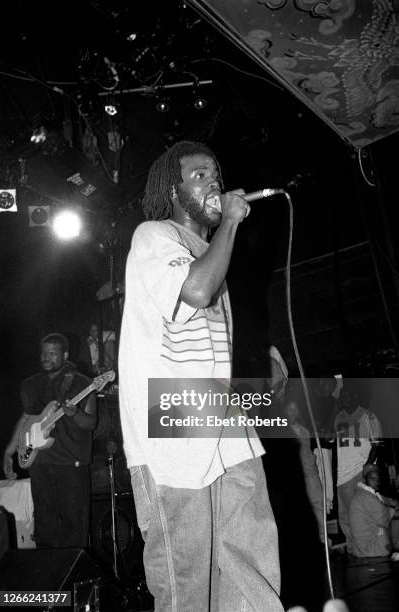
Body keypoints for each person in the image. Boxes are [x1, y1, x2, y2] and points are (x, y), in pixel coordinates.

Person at [119, 141, 283, 611]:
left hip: (223, 416)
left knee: (250, 562)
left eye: (215, 174)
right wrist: (231, 220)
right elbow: (194, 289)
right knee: (186, 580)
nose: (213, 183)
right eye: (198, 176)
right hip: (171, 419)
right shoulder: (154, 235)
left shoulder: (214, 254)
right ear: (173, 191)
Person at [3, 333, 97, 548]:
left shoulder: (82, 383)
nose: (46, 357)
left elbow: (91, 423)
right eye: (44, 353)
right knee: (45, 527)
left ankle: (72, 576)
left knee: (74, 528)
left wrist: (74, 414)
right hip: (41, 463)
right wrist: (9, 452)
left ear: (65, 355)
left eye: (52, 353)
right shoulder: (31, 384)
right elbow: (27, 418)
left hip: (71, 463)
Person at [333, 379, 382, 554]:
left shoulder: (368, 416)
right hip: (342, 474)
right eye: (342, 396)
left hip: (359, 471)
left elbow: (376, 444)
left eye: (346, 395)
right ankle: (355, 551)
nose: (343, 399)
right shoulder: (338, 417)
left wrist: (367, 469)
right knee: (345, 516)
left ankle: (369, 549)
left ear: (354, 396)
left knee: (361, 515)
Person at [283, 398, 326, 543]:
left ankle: (322, 537)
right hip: (291, 473)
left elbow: (307, 451)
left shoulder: (304, 430)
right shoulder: (278, 429)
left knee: (317, 501)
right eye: (289, 409)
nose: (292, 413)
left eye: (295, 410)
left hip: (309, 471)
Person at [349, 463, 399, 557]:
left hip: (362, 548)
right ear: (364, 480)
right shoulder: (365, 497)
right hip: (371, 549)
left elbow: (389, 501)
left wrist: (394, 503)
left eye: (378, 479)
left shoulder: (364, 492)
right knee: (394, 520)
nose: (377, 482)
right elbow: (386, 516)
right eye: (372, 479)